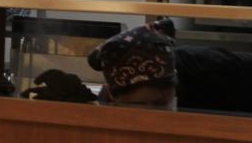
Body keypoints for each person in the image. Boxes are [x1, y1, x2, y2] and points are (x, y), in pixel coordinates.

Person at [88, 19, 252, 113]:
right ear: (112, 97)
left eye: (161, 104)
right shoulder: (105, 109)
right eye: (141, 106)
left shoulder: (212, 69)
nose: (154, 117)